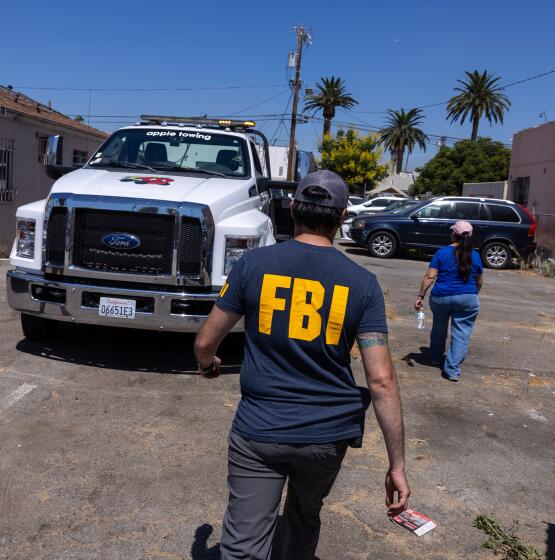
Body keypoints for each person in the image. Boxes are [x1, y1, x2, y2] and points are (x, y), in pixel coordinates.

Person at [194, 170, 409, 560]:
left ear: (292, 207)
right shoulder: (362, 283)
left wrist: (208, 364)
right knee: (304, 516)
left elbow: (206, 341)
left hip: (260, 429)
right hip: (326, 436)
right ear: (342, 216)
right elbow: (381, 381)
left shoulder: (252, 265)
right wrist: (397, 464)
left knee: (243, 542)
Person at [414, 220, 483, 382]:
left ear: (453, 234)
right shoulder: (475, 255)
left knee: (439, 328)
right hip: (468, 298)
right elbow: (479, 282)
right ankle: (451, 370)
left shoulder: (442, 252)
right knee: (461, 333)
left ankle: (435, 357)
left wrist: (420, 296)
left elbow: (430, 276)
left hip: (441, 298)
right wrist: (473, 295)